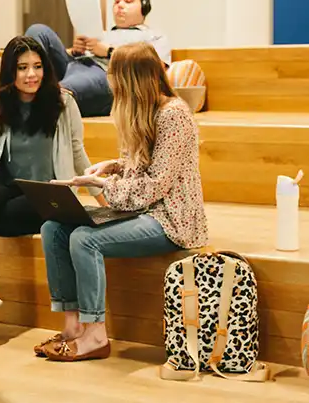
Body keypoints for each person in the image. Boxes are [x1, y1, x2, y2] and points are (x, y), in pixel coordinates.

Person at [35, 42, 208, 362]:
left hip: (171, 218)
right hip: (142, 208)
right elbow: (141, 164)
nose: (108, 80)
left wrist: (105, 185)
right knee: (53, 228)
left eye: (114, 73)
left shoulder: (174, 114)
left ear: (132, 78)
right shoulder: (138, 109)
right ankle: (73, 327)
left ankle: (96, 334)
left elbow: (157, 183)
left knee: (84, 240)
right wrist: (113, 166)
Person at [0, 35, 100, 313]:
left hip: (47, 194)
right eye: (22, 67)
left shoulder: (64, 104)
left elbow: (77, 153)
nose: (31, 74)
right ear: (9, 71)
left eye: (37, 66)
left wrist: (103, 196)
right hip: (12, 190)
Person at [26, 0, 172, 117]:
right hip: (74, 66)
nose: (120, 5)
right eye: (117, 1)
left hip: (106, 75)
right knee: (38, 30)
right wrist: (75, 51)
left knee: (60, 92)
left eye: (128, 1)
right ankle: (27, 83)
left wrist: (109, 52)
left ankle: (33, 103)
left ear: (144, 7)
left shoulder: (154, 36)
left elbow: (155, 68)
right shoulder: (101, 34)